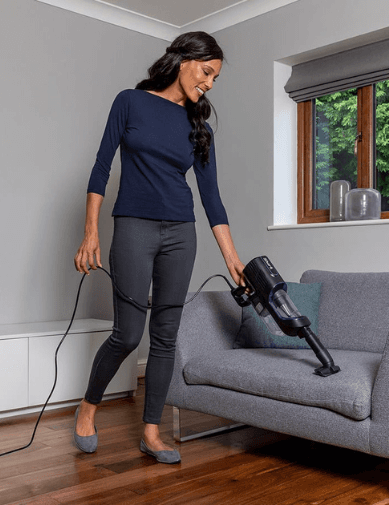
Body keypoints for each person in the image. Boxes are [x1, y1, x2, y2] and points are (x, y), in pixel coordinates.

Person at [72, 31, 245, 464]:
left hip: (180, 234)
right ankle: (88, 407)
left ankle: (151, 432)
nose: (208, 83)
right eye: (207, 72)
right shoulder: (130, 102)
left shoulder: (198, 127)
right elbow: (100, 166)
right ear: (184, 59)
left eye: (215, 79)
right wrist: (90, 232)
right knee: (127, 334)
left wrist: (233, 258)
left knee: (165, 338)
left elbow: (212, 199)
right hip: (133, 226)